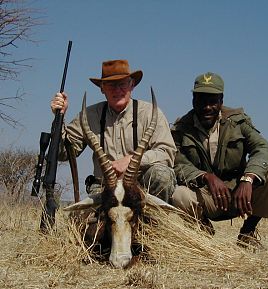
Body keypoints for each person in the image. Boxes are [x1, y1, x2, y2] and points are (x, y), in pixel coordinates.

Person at [171, 72, 268, 247]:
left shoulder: (238, 123)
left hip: (239, 195)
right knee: (179, 195)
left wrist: (247, 179)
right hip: (207, 196)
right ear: (193, 100)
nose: (207, 107)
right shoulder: (180, 129)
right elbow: (177, 162)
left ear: (221, 101)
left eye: (212, 101)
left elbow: (264, 149)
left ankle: (248, 232)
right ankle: (204, 235)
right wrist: (205, 176)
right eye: (201, 100)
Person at [51, 59, 176, 202]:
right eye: (111, 85)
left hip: (139, 188)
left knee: (162, 175)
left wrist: (132, 160)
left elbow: (167, 152)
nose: (117, 90)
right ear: (102, 88)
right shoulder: (88, 116)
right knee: (81, 218)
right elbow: (64, 153)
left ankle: (157, 222)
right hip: (104, 189)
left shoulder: (150, 113)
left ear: (132, 85)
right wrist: (59, 118)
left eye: (122, 84)